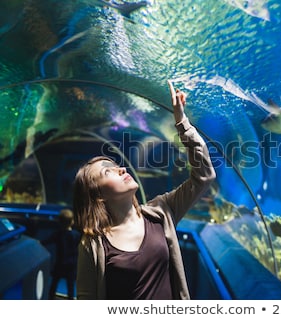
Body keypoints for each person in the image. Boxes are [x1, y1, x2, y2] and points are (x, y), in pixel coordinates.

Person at [74, 81, 216, 299]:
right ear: (99, 197)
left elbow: (204, 175)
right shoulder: (93, 243)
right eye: (107, 172)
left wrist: (182, 123)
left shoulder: (161, 212)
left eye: (116, 165)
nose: (121, 169)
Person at [42, 208, 81, 299]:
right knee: (70, 285)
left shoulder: (58, 234)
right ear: (72, 221)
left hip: (60, 263)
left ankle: (51, 298)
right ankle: (70, 299)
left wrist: (38, 242)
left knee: (54, 282)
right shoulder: (76, 235)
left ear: (59, 221)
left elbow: (47, 241)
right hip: (71, 265)